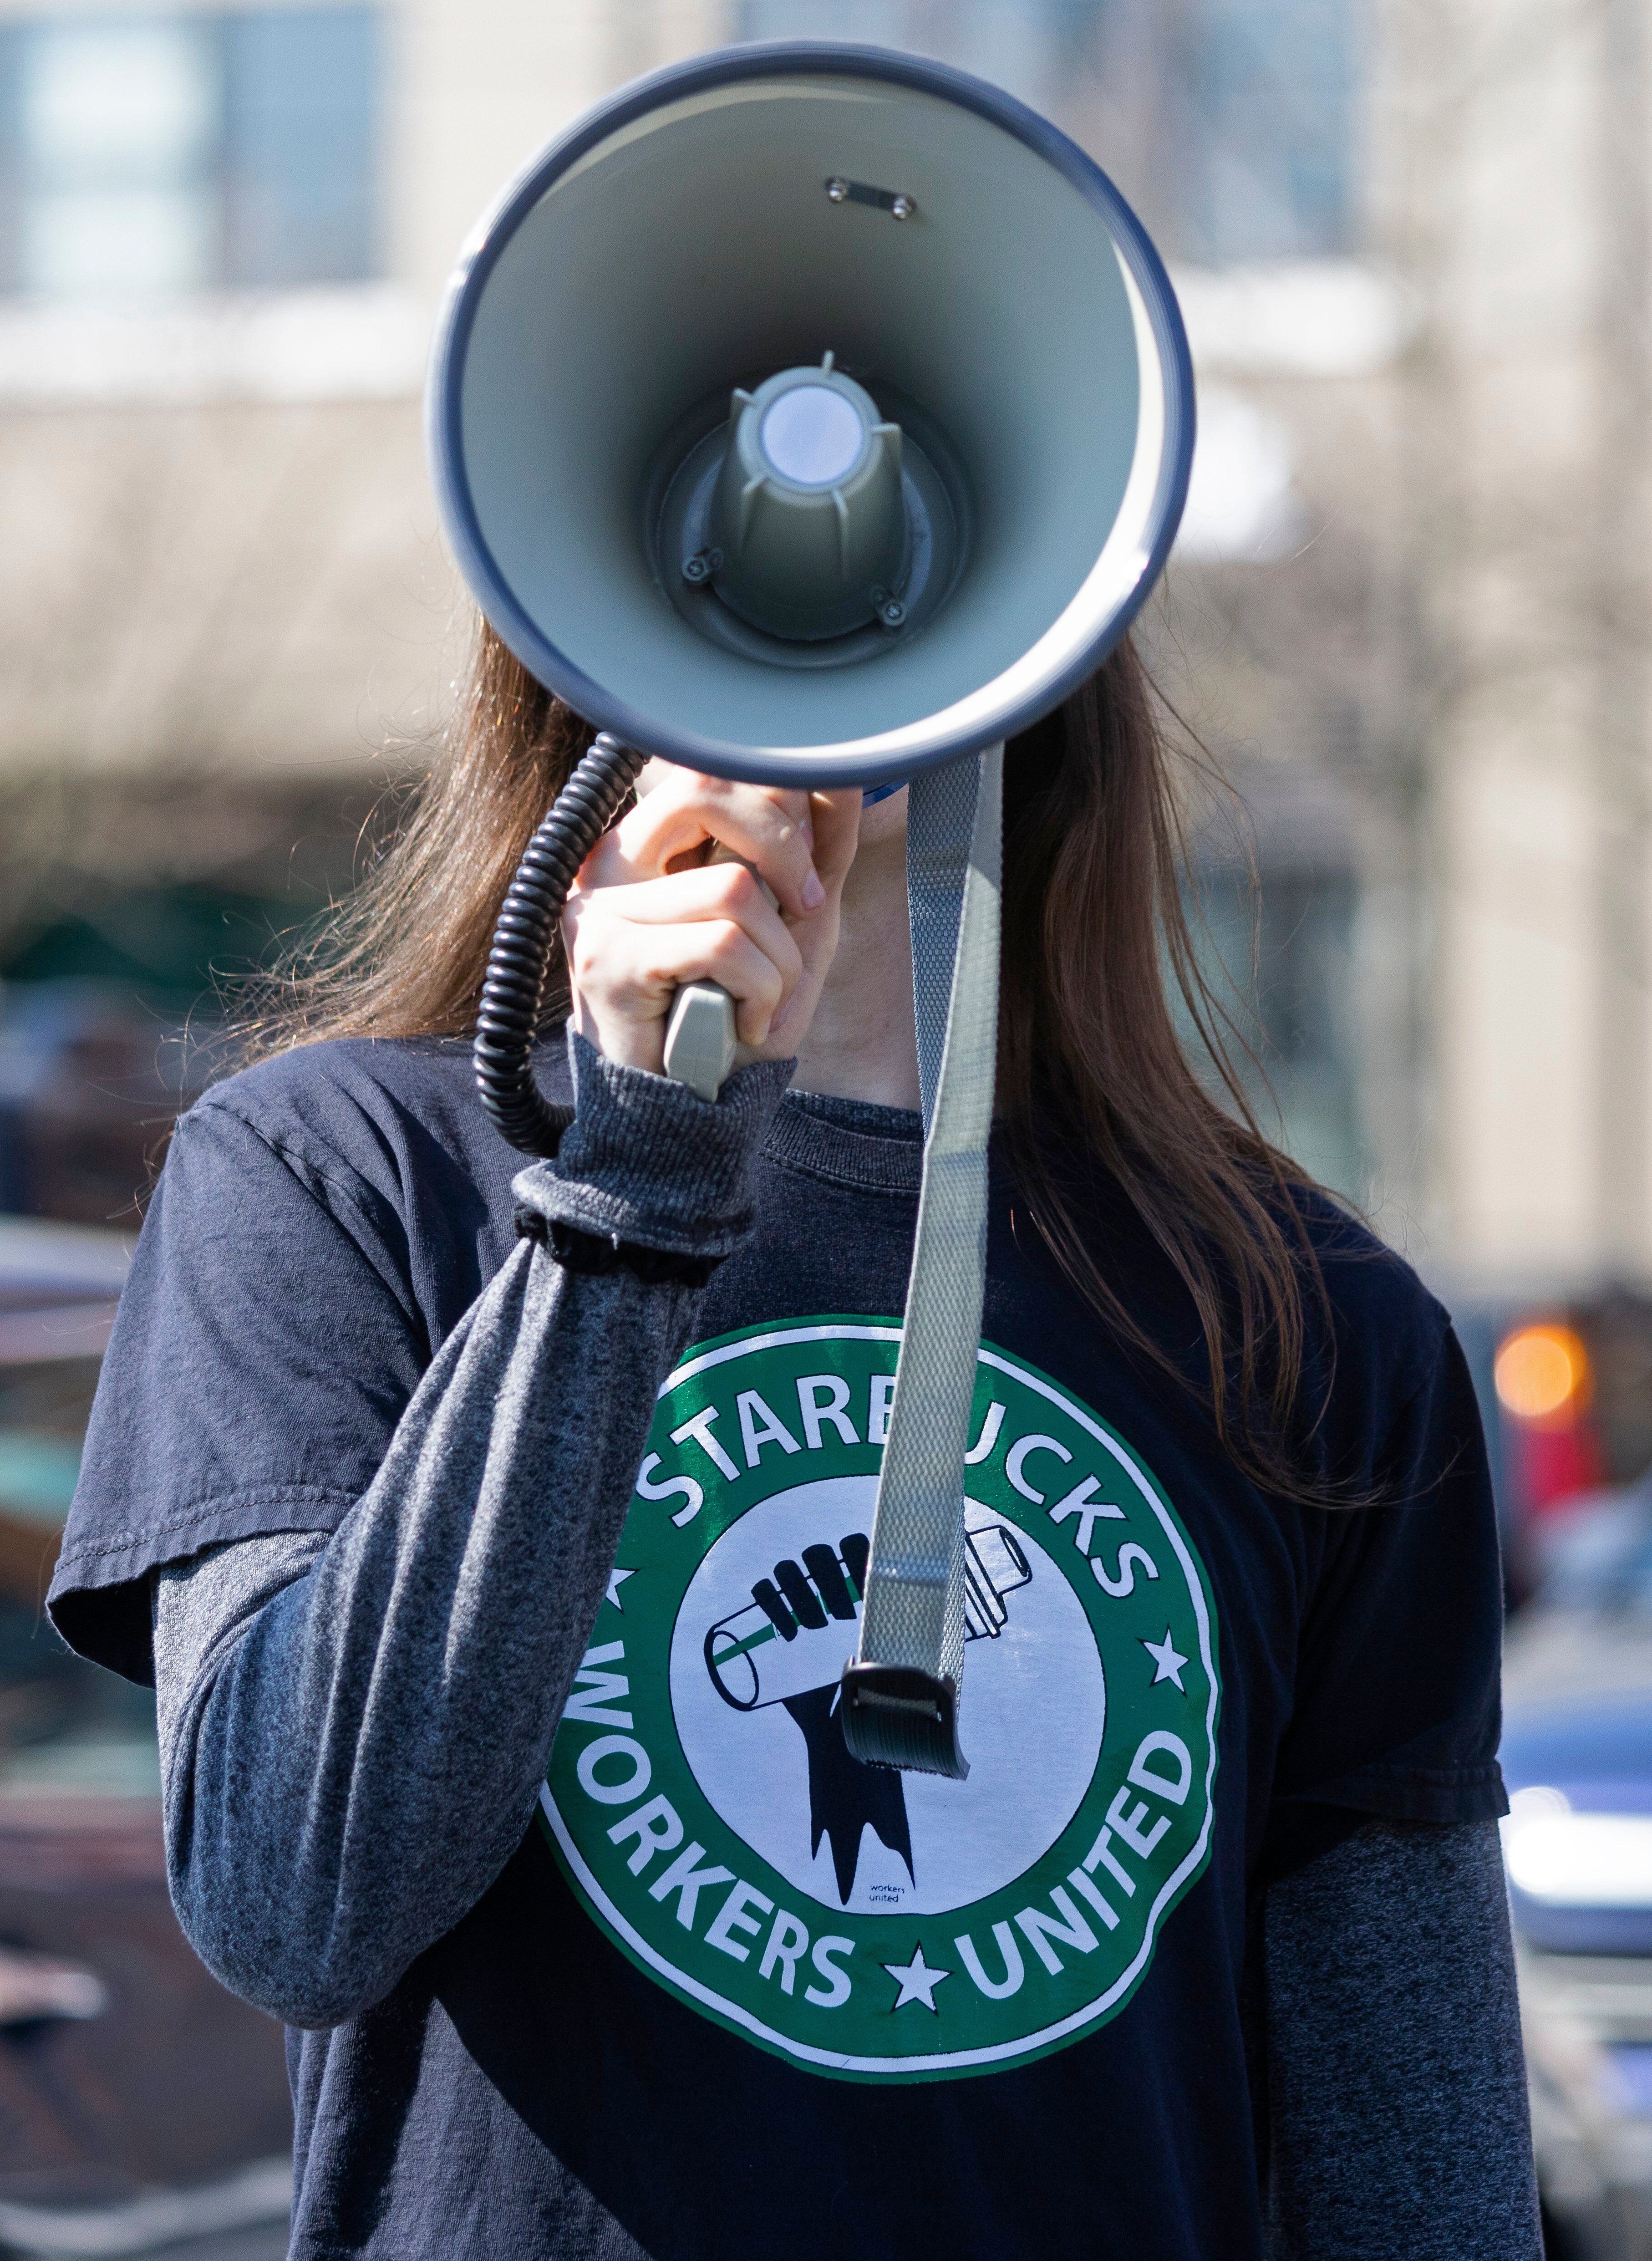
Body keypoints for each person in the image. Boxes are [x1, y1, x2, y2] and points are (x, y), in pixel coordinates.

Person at [49, 628, 1540, 2261]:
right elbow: (293, 1898)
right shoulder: (334, 1177)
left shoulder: (1303, 1317)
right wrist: (632, 1190)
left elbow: (1415, 2152)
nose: (827, 611)